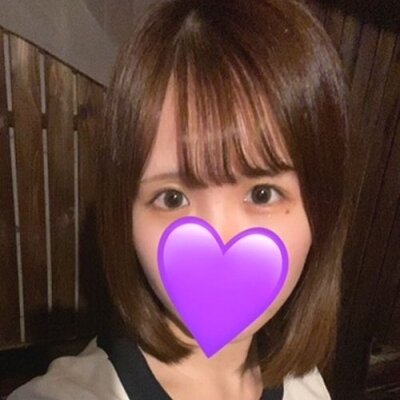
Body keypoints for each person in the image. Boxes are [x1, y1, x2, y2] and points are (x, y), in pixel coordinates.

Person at [8, 0, 354, 399]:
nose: (219, 239)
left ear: (322, 211)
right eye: (172, 198)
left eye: (262, 193)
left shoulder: (306, 385)